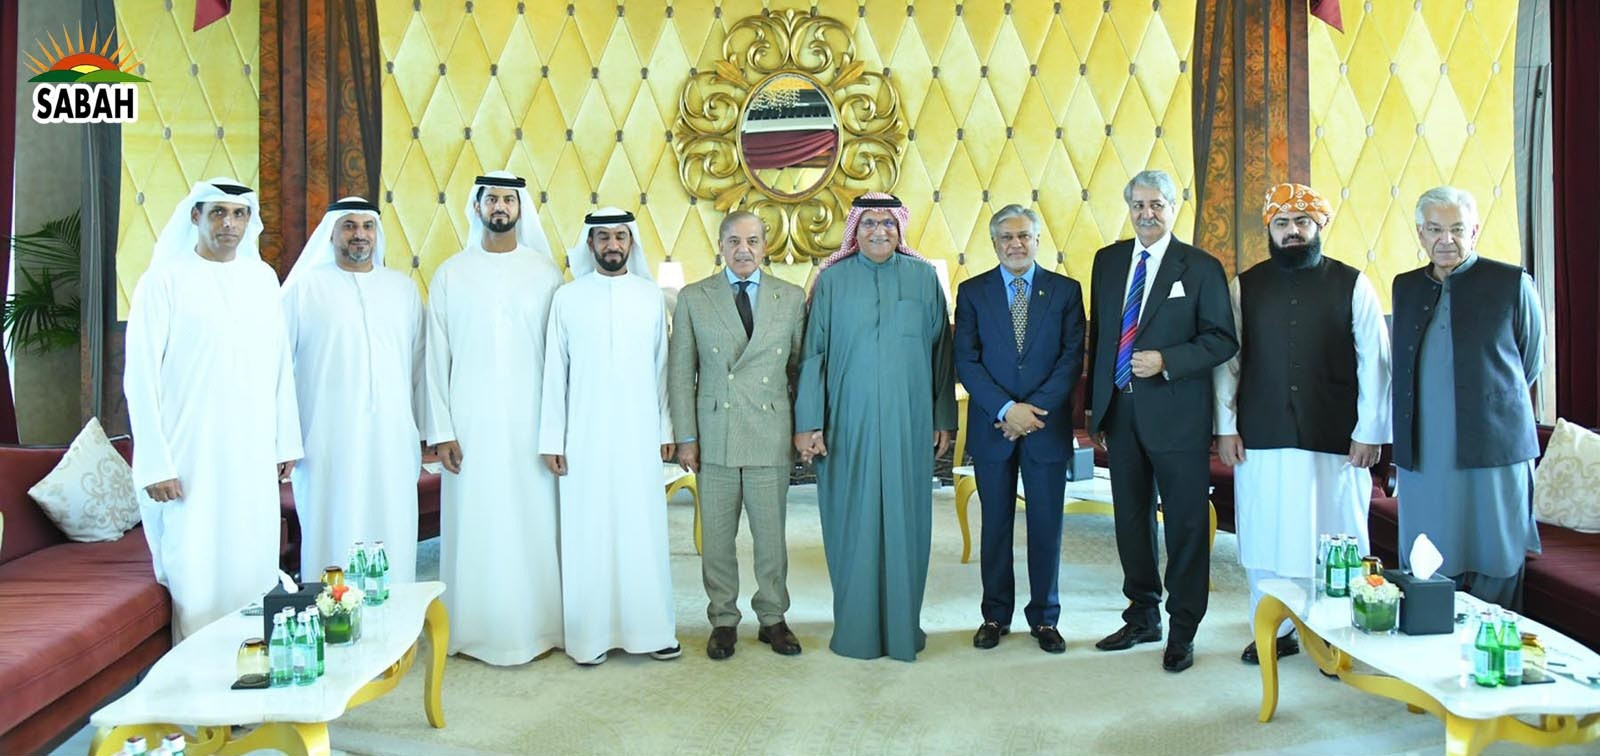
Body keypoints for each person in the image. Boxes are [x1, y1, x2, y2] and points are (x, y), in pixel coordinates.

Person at [1213, 183, 1392, 663]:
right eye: (1282, 223)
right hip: (1262, 433)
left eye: (1302, 222)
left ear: (1320, 226)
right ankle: (1274, 629)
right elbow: (1229, 362)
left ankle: (1335, 631)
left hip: (1335, 435)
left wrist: (1370, 431)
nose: (1293, 231)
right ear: (1269, 229)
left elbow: (1374, 362)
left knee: (1336, 535)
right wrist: (1225, 425)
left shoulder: (1353, 283)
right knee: (1266, 535)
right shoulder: (1244, 285)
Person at [124, 178, 302, 641]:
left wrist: (285, 442)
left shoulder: (262, 279)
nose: (229, 224)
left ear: (249, 221)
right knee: (197, 568)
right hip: (189, 453)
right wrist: (155, 463)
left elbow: (281, 366)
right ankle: (199, 689)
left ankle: (256, 667)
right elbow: (139, 378)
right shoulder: (163, 280)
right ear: (195, 218)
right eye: (218, 213)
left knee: (252, 560)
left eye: (238, 214)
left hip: (252, 450)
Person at [793, 192, 958, 661]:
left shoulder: (924, 278)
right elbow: (813, 358)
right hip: (849, 424)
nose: (879, 231)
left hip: (910, 423)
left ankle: (905, 628)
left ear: (900, 228)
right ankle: (856, 630)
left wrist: (943, 417)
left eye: (888, 222)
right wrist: (810, 423)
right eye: (868, 223)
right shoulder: (831, 281)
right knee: (851, 522)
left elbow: (941, 355)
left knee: (907, 523)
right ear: (854, 230)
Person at [1084, 170, 1237, 673]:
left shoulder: (1200, 266)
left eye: (1157, 205)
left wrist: (1167, 360)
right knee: (1130, 520)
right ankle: (1142, 614)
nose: (1147, 213)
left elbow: (1221, 339)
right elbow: (1102, 337)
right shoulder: (1107, 261)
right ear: (1128, 207)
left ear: (1175, 207)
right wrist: (1095, 407)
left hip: (1178, 417)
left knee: (1188, 525)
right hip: (1120, 413)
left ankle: (1184, 627)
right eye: (1139, 205)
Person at [424, 172, 565, 665]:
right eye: (492, 199)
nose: (500, 206)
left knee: (533, 523)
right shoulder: (450, 273)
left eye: (509, 199)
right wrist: (441, 432)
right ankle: (471, 630)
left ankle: (540, 628)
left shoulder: (546, 273)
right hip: (470, 424)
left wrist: (556, 431)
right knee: (475, 526)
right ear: (477, 206)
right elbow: (435, 361)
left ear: (520, 208)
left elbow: (559, 359)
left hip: (531, 425)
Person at [540, 208, 680, 665]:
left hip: (640, 435)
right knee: (589, 533)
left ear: (631, 243)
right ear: (590, 244)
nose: (612, 244)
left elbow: (663, 370)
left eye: (620, 236)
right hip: (583, 436)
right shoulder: (567, 298)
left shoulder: (649, 298)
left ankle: (653, 631)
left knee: (644, 531)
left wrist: (667, 430)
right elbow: (553, 375)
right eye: (603, 237)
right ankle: (589, 638)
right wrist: (553, 440)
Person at [1392, 186, 1544, 607]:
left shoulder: (1511, 282)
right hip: (1425, 448)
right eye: (1435, 229)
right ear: (1420, 234)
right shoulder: (1405, 287)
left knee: (1495, 549)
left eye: (1457, 229)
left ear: (1474, 230)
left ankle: (1492, 645)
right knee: (1429, 548)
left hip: (1495, 444)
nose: (1447, 239)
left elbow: (1529, 362)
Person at [668, 210, 806, 659]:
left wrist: (803, 429)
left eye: (752, 241)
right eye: (733, 241)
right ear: (720, 245)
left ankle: (773, 617)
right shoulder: (694, 297)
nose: (743, 250)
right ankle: (723, 619)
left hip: (769, 429)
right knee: (718, 536)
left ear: (765, 246)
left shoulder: (790, 297)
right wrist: (686, 436)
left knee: (771, 536)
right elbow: (680, 372)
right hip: (715, 433)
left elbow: (799, 371)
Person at [953, 204, 1085, 654]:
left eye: (1024, 236)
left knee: (1047, 526)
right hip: (994, 427)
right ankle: (994, 615)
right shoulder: (972, 292)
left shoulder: (1066, 291)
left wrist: (1031, 413)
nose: (1015, 244)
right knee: (996, 526)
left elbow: (1071, 359)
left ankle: (1045, 619)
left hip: (1045, 428)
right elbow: (966, 361)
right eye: (1006, 237)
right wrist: (1008, 409)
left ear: (1037, 240)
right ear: (994, 244)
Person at [282, 197, 425, 585]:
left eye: (367, 226)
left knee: (393, 528)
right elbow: (277, 371)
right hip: (326, 440)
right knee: (332, 531)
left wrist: (424, 431)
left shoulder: (403, 291)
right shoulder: (303, 290)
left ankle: (395, 624)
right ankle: (330, 619)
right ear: (331, 234)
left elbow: (418, 369)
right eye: (349, 226)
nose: (359, 234)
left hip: (392, 440)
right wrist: (285, 441)